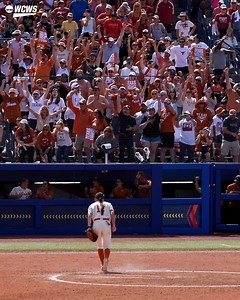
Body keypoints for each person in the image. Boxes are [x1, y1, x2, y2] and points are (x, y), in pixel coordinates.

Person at [87, 192, 116, 273]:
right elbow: (112, 213)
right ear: (103, 198)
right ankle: (106, 260)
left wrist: (89, 226)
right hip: (106, 223)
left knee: (100, 246)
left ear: (96, 198)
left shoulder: (92, 205)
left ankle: (102, 263)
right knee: (107, 245)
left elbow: (89, 215)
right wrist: (114, 225)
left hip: (96, 223)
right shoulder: (109, 204)